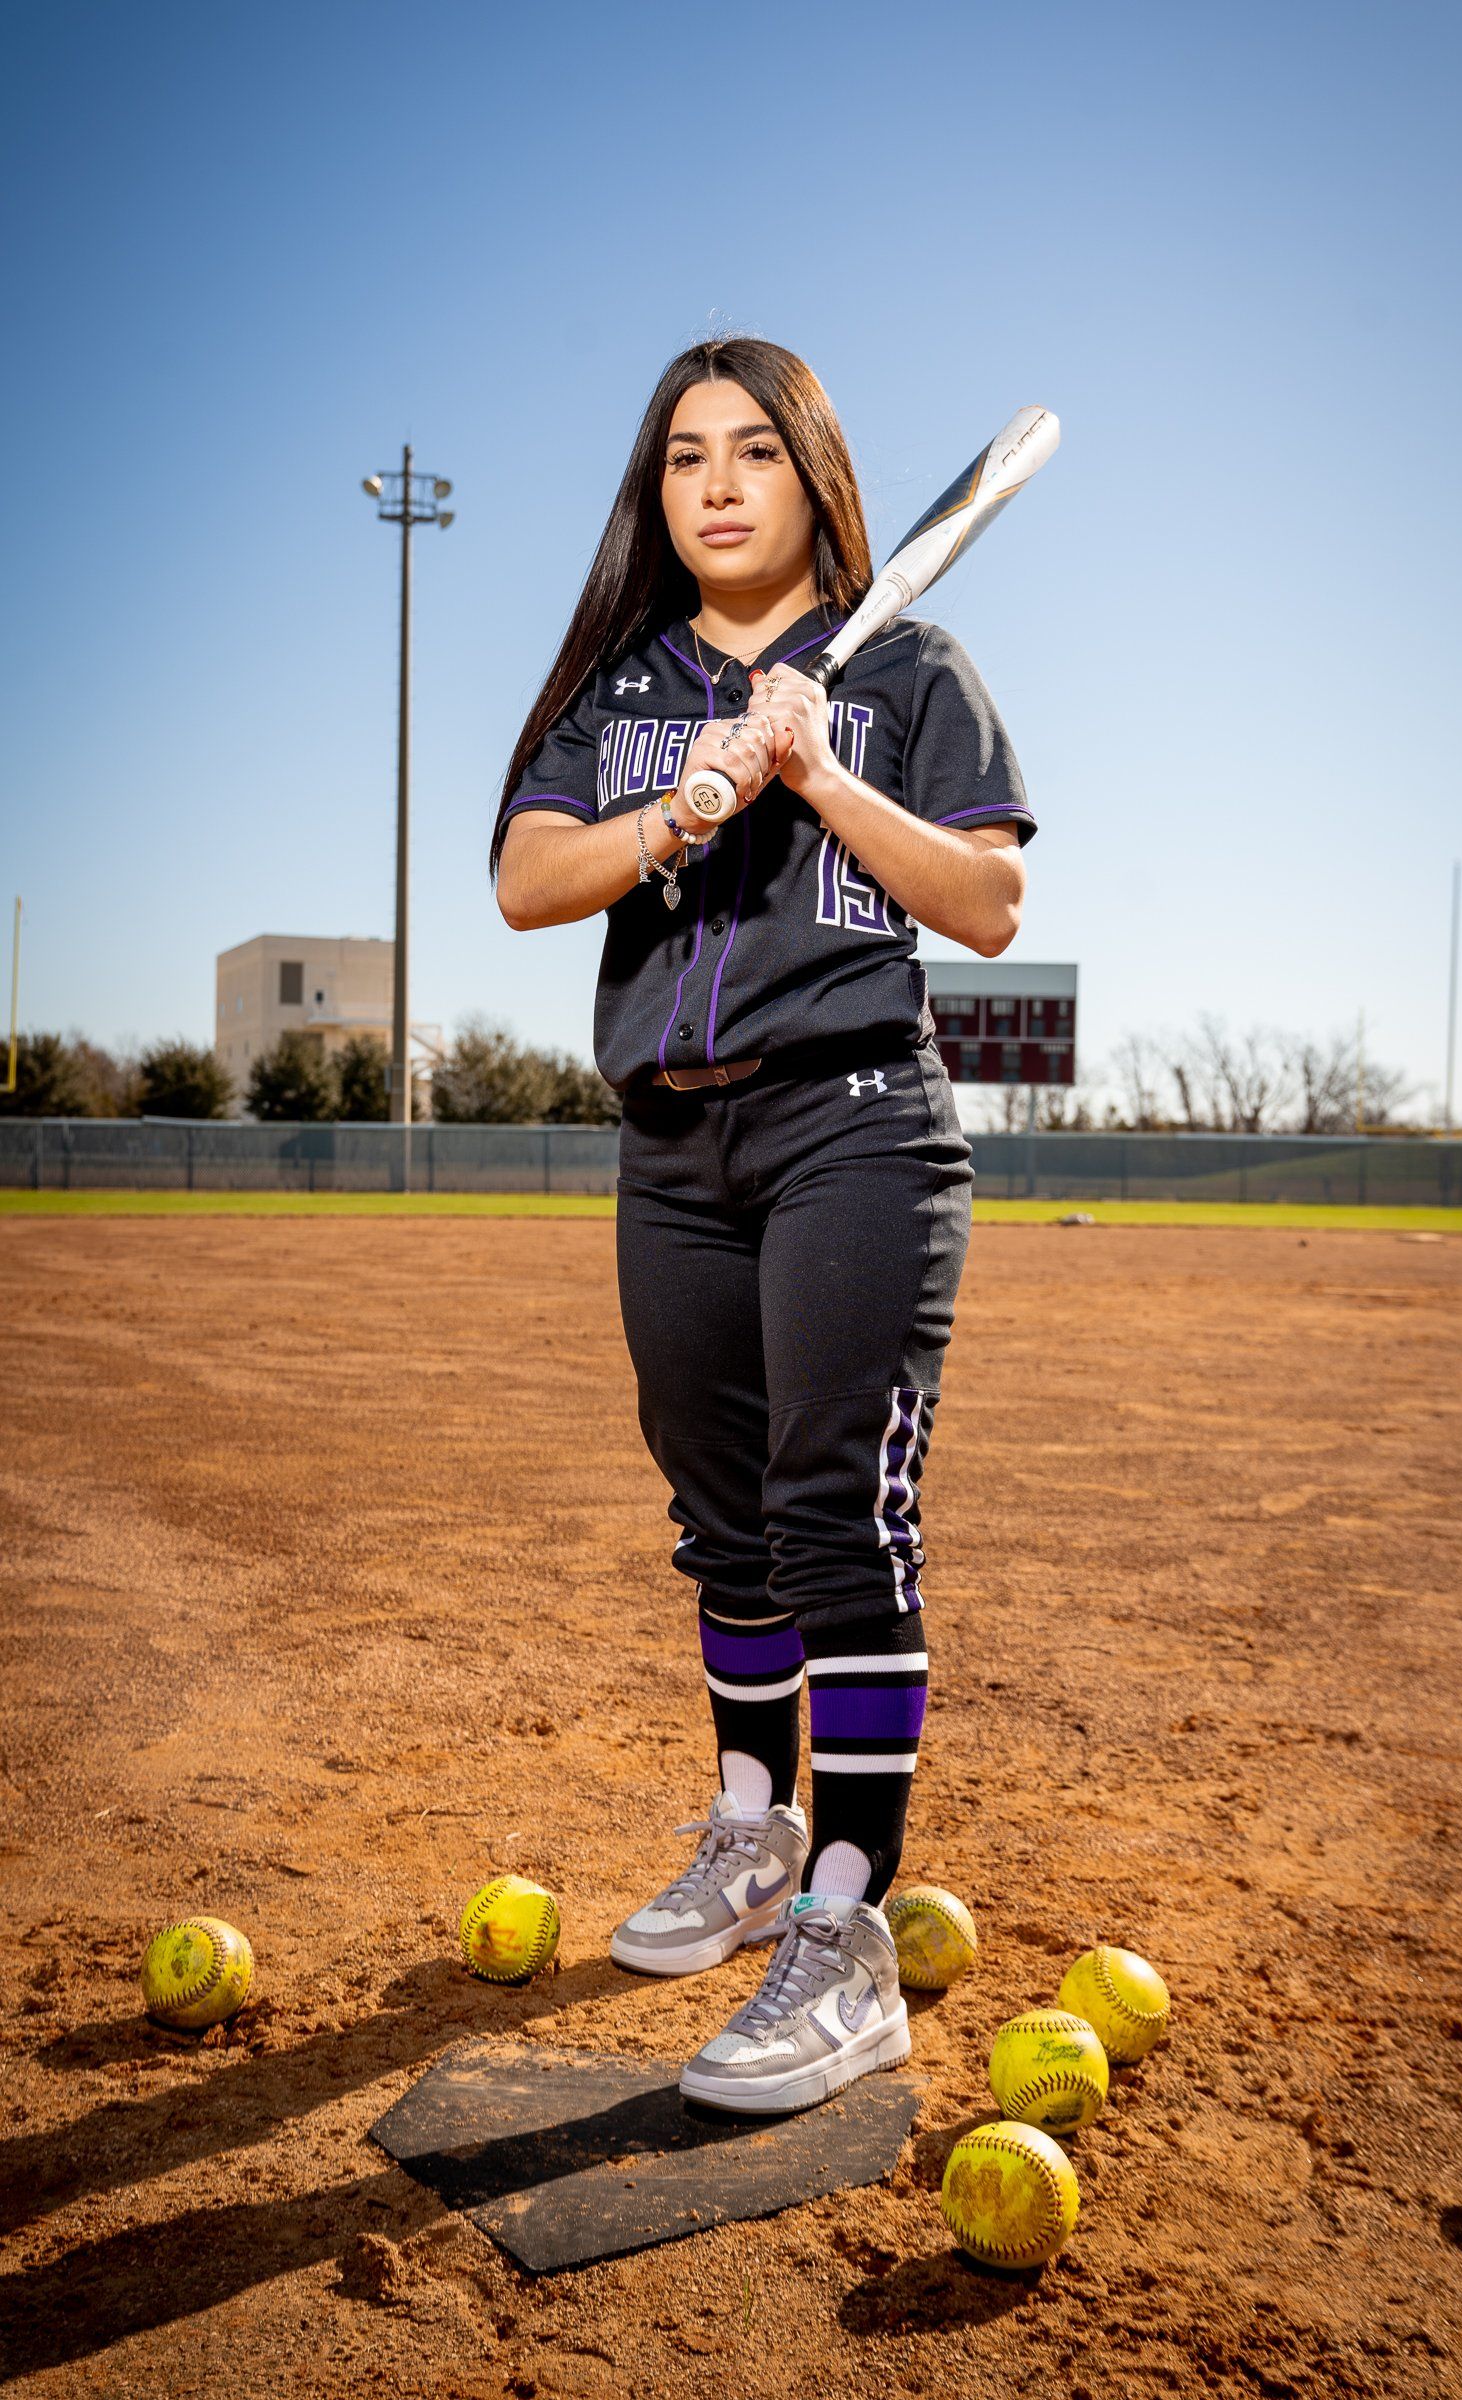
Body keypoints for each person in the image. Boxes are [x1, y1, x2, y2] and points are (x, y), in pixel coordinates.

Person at [492, 337, 1034, 2114]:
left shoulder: (914, 669)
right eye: (679, 458)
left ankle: (849, 1928)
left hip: (854, 1128)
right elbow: (524, 882)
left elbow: (988, 905)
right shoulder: (624, 686)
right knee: (720, 1514)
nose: (713, 483)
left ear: (812, 479)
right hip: (670, 1148)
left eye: (751, 453)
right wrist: (685, 796)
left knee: (830, 1512)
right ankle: (749, 1832)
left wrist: (813, 774)